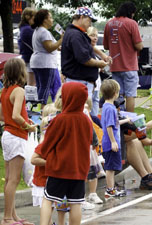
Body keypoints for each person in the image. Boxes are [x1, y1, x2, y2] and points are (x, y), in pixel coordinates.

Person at [38, 82, 93, 225]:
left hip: (59, 168)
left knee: (48, 199)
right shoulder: (86, 120)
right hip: (79, 168)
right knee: (75, 203)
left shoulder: (60, 119)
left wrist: (41, 153)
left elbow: (48, 143)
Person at [0, 58, 36, 225]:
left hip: (7, 133)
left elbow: (3, 115)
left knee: (9, 178)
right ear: (20, 72)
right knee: (13, 179)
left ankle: (12, 216)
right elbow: (15, 115)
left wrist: (17, 121)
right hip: (16, 135)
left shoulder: (5, 91)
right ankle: (7, 218)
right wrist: (27, 126)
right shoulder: (19, 91)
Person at [61, 7, 108, 107]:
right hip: (79, 82)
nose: (90, 23)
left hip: (78, 81)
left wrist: (102, 55)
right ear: (81, 17)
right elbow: (84, 59)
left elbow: (86, 49)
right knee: (82, 113)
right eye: (89, 20)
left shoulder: (76, 33)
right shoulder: (75, 35)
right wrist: (99, 63)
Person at [103, 2, 143, 112]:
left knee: (117, 94)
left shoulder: (109, 24)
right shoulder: (132, 23)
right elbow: (139, 45)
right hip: (129, 65)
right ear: (131, 12)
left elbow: (106, 46)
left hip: (115, 66)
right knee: (130, 95)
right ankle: (129, 122)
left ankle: (119, 118)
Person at [31, 103, 67, 225]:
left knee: (62, 205)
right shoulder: (44, 144)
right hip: (44, 181)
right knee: (48, 206)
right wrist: (51, 163)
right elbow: (34, 159)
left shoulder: (60, 143)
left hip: (57, 180)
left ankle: (60, 223)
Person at [30, 9, 63, 108]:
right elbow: (49, 48)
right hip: (46, 63)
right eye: (50, 17)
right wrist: (62, 39)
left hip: (37, 62)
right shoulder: (44, 32)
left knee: (40, 86)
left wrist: (59, 45)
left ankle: (36, 108)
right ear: (45, 20)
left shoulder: (38, 31)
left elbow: (52, 46)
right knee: (45, 87)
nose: (52, 20)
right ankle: (41, 109)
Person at [100, 79, 127, 197]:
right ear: (115, 93)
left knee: (112, 167)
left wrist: (126, 120)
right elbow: (109, 126)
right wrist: (113, 141)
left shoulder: (106, 106)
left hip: (109, 141)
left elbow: (114, 123)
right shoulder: (111, 109)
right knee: (110, 168)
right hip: (110, 142)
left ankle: (111, 188)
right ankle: (110, 189)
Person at [86, 26, 112, 116]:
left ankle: (95, 122)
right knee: (88, 102)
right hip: (88, 82)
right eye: (92, 35)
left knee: (95, 101)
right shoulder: (86, 48)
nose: (95, 38)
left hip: (96, 82)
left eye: (96, 36)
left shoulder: (95, 50)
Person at [18, 7, 36, 86]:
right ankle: (30, 98)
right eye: (34, 16)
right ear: (28, 17)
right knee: (32, 83)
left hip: (27, 58)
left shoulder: (23, 28)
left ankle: (29, 97)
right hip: (31, 58)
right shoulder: (28, 29)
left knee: (30, 82)